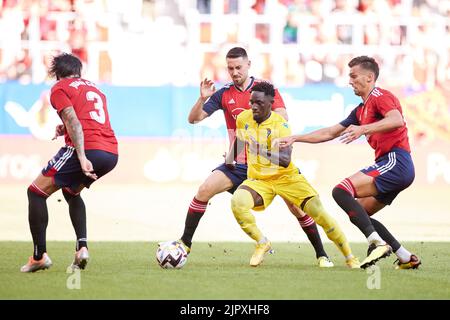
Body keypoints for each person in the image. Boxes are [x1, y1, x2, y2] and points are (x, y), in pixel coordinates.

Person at [178, 47, 334, 267]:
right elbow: (193, 120)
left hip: (268, 163)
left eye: (238, 67)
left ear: (248, 64)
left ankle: (322, 254)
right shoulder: (224, 94)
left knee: (297, 207)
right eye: (230, 68)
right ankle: (185, 244)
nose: (234, 72)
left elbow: (282, 117)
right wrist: (201, 99)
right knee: (204, 190)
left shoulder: (264, 89)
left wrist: (253, 133)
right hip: (239, 161)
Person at [276, 56, 421, 270]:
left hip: (396, 161)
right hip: (391, 164)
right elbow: (329, 133)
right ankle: (405, 256)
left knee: (341, 191)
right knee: (362, 214)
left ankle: (376, 243)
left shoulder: (380, 96)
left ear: (369, 77)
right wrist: (295, 137)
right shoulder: (360, 110)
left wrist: (363, 129)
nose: (350, 81)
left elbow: (397, 119)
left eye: (354, 76)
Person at [228, 81, 360, 268]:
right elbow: (240, 140)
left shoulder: (280, 125)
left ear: (271, 103)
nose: (254, 106)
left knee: (319, 214)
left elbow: (284, 160)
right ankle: (262, 242)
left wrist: (258, 148)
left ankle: (350, 257)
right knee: (237, 202)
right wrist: (230, 159)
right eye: (251, 102)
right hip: (259, 180)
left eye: (259, 103)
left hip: (287, 178)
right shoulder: (243, 118)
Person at [20, 53, 119, 272]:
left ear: (57, 73)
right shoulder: (96, 89)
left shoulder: (60, 87)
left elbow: (74, 119)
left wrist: (82, 156)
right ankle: (81, 248)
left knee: (35, 192)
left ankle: (39, 256)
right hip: (111, 152)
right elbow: (88, 119)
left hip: (87, 150)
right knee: (71, 192)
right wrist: (65, 128)